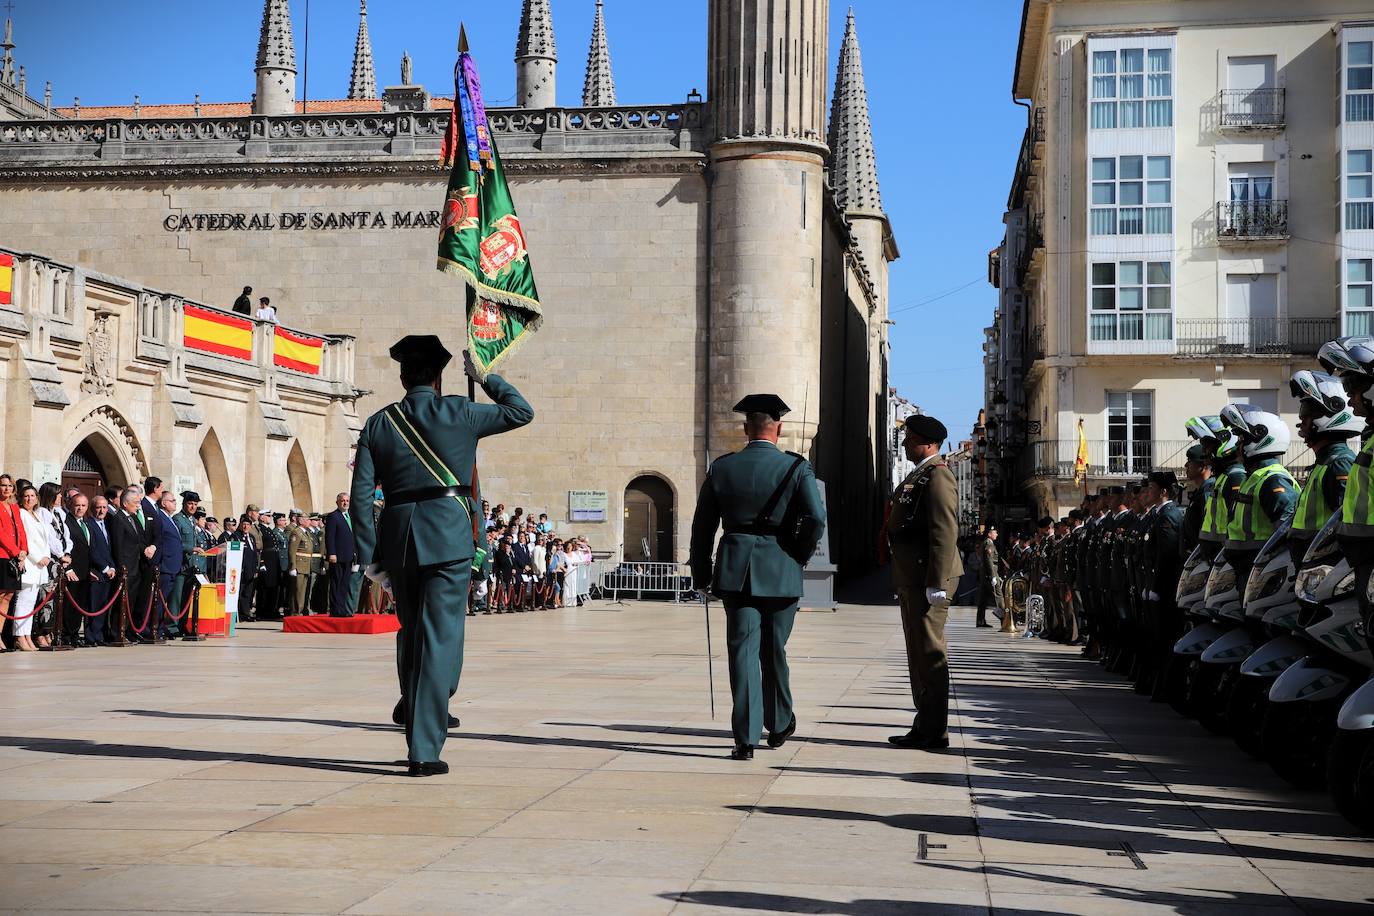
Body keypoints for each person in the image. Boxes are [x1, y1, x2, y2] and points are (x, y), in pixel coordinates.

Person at [350, 336, 533, 776]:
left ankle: (415, 701)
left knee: (412, 631)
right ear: (439, 377)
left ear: (401, 376)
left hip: (398, 539)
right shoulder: (461, 411)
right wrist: (486, 378)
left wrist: (370, 553)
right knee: (439, 639)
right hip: (448, 537)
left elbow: (359, 499)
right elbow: (521, 411)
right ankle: (424, 750)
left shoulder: (378, 423)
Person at [689, 393, 827, 761]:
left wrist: (701, 574)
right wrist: (797, 552)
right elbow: (816, 518)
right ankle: (779, 722)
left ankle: (745, 738)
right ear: (778, 428)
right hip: (781, 567)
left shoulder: (723, 468)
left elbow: (702, 527)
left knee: (742, 652)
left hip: (735, 569)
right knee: (774, 649)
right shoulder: (796, 468)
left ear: (746, 428)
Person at [884, 414, 963, 751]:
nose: (905, 443)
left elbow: (944, 532)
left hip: (926, 578)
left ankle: (934, 730)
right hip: (913, 577)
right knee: (918, 655)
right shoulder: (921, 475)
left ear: (929, 443)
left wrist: (936, 581)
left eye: (911, 438)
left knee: (929, 655)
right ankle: (925, 725)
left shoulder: (938, 477)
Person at [1218, 404, 1298, 586]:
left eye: (1242, 438)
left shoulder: (1273, 479)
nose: (1238, 445)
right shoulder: (1254, 477)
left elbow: (1285, 532)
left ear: (1261, 438)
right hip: (1249, 569)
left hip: (1262, 571)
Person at [1287, 370, 1359, 561]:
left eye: (1306, 413)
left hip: (1323, 564)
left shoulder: (1339, 463)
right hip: (1309, 560)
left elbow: (1345, 522)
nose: (1301, 421)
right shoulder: (1325, 462)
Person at [1140, 471, 1184, 697]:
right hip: (1154, 584)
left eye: (1152, 487)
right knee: (1154, 637)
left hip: (1164, 587)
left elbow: (1165, 556)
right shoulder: (1158, 514)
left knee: (1163, 638)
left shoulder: (1169, 515)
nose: (1148, 491)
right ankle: (1157, 682)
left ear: (1164, 491)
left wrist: (1156, 586)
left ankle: (1164, 686)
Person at [109, 485, 155, 643]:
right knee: (121, 602)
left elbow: (138, 541)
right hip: (126, 567)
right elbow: (118, 545)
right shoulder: (118, 519)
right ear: (125, 503)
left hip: (136, 567)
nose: (138, 505)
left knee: (131, 602)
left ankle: (127, 630)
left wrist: (147, 549)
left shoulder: (133, 517)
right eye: (135, 502)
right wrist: (121, 566)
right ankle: (117, 632)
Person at [13, 483, 51, 651]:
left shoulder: (37, 515)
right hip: (30, 563)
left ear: (37, 498)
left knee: (31, 603)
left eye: (32, 496)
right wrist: (37, 557)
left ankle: (28, 635)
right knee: (23, 602)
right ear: (21, 498)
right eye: (26, 496)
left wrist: (47, 556)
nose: (29, 499)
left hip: (40, 565)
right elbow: (25, 539)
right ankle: (20, 636)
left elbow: (45, 539)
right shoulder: (21, 514)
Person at [0, 474, 28, 649]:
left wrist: (24, 550)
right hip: (3, 555)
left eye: (9, 486)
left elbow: (21, 530)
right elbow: (1, 534)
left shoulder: (15, 508)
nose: (6, 489)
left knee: (9, 595)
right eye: (3, 485)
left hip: (16, 556)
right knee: (1, 594)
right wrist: (16, 551)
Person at [62, 492, 93, 648]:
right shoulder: (66, 522)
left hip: (85, 571)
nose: (80, 508)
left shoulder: (86, 523)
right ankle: (66, 634)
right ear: (70, 505)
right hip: (72, 571)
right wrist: (68, 569)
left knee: (79, 605)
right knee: (69, 604)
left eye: (83, 505)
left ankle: (74, 634)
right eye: (77, 505)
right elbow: (65, 548)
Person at [152, 490, 184, 639]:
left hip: (173, 566)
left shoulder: (169, 519)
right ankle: (155, 629)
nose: (175, 503)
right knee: (160, 600)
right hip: (165, 566)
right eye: (172, 501)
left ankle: (161, 628)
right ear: (164, 503)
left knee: (166, 601)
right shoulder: (161, 518)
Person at [88, 494, 117, 645]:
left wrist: (112, 566)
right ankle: (92, 636)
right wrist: (105, 568)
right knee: (94, 606)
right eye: (98, 507)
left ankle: (101, 635)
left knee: (104, 605)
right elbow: (92, 549)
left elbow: (109, 548)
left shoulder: (107, 524)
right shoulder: (89, 524)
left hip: (108, 572)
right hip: (97, 571)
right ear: (92, 509)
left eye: (104, 507)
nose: (102, 510)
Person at [325, 493, 356, 617]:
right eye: (342, 500)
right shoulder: (333, 516)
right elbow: (330, 537)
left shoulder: (349, 516)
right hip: (337, 556)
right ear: (337, 502)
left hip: (348, 556)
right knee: (336, 583)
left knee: (344, 584)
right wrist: (331, 553)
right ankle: (335, 610)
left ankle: (342, 609)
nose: (345, 503)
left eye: (347, 500)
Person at [231, 516, 263, 620]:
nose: (245, 526)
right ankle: (238, 614)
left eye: (248, 525)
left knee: (248, 593)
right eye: (244, 524)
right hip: (241, 569)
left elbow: (254, 554)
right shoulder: (236, 536)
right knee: (240, 592)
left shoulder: (252, 538)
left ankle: (245, 613)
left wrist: (256, 568)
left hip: (251, 569)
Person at [287, 512, 318, 616]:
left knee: (303, 591)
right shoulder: (297, 532)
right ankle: (296, 612)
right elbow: (292, 550)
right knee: (298, 590)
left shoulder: (306, 532)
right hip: (299, 566)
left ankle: (300, 610)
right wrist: (293, 566)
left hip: (306, 566)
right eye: (307, 519)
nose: (309, 521)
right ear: (301, 521)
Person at [974, 527, 1000, 628]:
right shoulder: (989, 543)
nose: (997, 534)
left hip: (985, 575)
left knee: (983, 599)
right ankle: (1005, 620)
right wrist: (993, 576)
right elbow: (989, 561)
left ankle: (980, 621)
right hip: (989, 575)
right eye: (995, 532)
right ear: (989, 534)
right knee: (999, 596)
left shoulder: (985, 542)